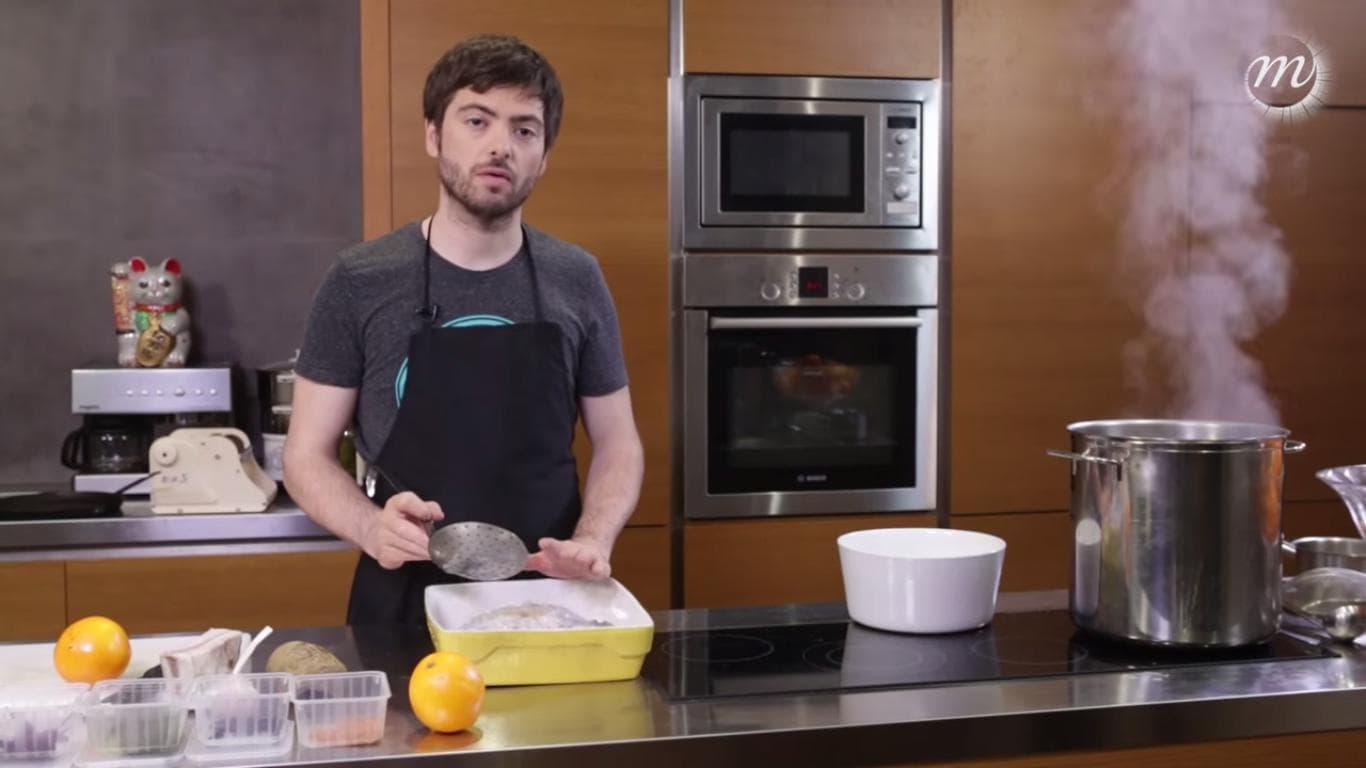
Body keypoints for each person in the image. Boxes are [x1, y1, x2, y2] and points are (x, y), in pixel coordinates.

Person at [284, 34, 645, 624]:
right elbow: (305, 455)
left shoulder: (576, 277)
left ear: (544, 154)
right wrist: (371, 528)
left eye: (525, 130)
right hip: (406, 601)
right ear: (434, 134)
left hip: (547, 594)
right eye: (477, 120)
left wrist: (594, 539)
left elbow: (619, 443)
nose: (501, 145)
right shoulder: (360, 278)